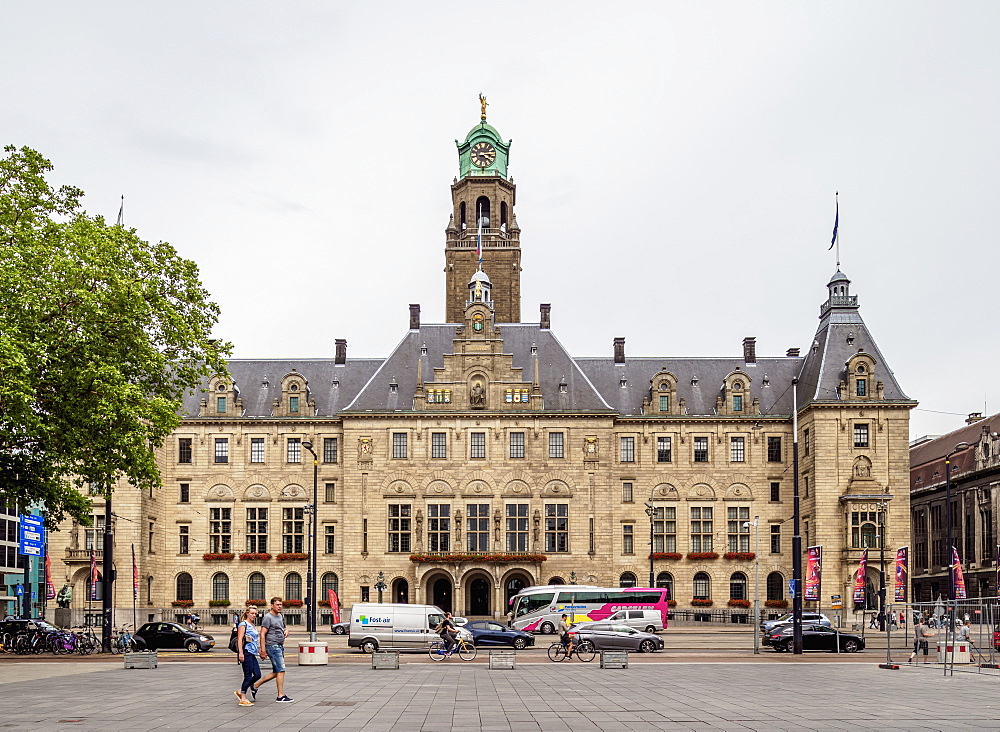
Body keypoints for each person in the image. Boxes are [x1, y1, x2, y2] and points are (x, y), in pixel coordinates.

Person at [252, 597, 294, 703]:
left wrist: (286, 631)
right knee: (281, 670)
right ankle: (280, 695)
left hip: (279, 646)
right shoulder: (268, 617)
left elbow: (283, 627)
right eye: (277, 605)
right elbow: (262, 634)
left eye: (281, 604)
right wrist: (263, 650)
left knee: (277, 672)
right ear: (272, 605)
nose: (280, 606)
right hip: (272, 646)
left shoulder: (280, 616)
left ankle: (255, 685)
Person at [234, 606, 260, 707]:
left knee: (257, 674)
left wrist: (258, 649)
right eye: (252, 613)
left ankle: (240, 691)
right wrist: (241, 653)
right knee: (248, 676)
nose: (254, 615)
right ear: (247, 613)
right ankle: (243, 698)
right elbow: (240, 639)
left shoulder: (252, 625)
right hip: (246, 651)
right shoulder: (243, 624)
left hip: (252, 652)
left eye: (255, 614)